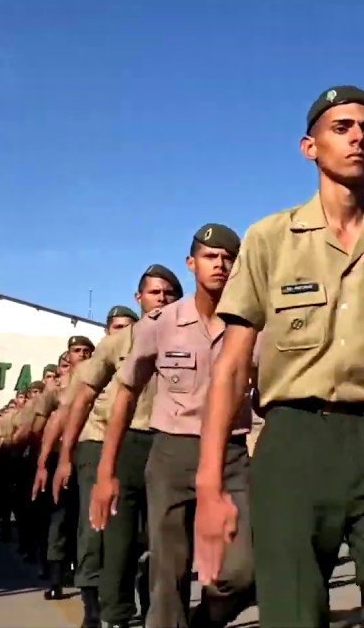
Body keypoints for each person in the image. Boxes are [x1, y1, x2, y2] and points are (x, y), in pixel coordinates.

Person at [192, 85, 364, 628]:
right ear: (309, 146)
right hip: (294, 442)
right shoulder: (271, 237)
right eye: (342, 127)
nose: (358, 137)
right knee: (293, 613)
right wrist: (208, 483)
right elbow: (232, 364)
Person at [91, 226, 254, 628]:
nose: (219, 264)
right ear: (191, 263)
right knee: (169, 574)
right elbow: (126, 392)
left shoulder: (252, 324)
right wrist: (105, 471)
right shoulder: (161, 323)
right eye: (210, 256)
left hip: (233, 456)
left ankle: (205, 621)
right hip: (172, 454)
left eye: (227, 258)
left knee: (246, 568)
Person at [63, 265, 180, 628]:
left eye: (168, 293)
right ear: (139, 298)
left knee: (166, 540)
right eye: (154, 293)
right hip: (126, 442)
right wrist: (67, 455)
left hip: (168, 443)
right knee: (119, 541)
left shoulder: (186, 335)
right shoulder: (118, 342)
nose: (161, 299)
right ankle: (115, 614)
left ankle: (159, 614)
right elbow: (83, 395)